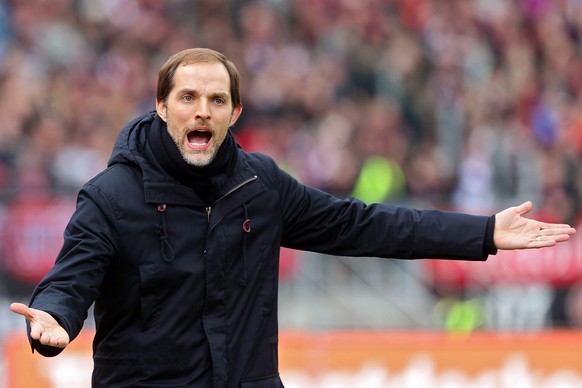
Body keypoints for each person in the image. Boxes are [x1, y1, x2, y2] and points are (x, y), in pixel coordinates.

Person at [9, 48, 576, 388]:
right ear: (161, 107)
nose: (201, 109)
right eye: (186, 97)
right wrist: (53, 323)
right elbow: (69, 280)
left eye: (215, 99)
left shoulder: (261, 185)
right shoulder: (110, 195)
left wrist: (481, 234)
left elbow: (365, 225)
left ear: (235, 112)